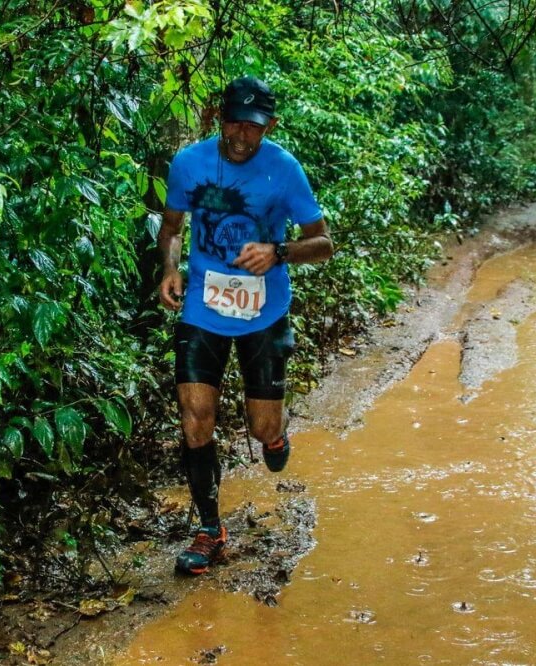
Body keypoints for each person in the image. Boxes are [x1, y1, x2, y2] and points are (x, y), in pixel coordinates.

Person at [158, 76, 334, 575]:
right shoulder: (189, 163)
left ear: (269, 127)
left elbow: (323, 245)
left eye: (251, 128)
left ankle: (275, 437)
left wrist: (278, 252)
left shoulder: (284, 170)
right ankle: (210, 529)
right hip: (202, 310)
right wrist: (170, 268)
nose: (240, 136)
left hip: (264, 313)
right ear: (219, 117)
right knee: (195, 418)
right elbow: (171, 228)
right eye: (233, 123)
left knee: (262, 428)